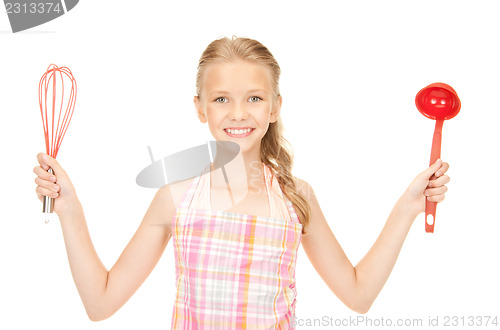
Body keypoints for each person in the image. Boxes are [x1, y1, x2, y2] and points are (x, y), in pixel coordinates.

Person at [33, 36, 450, 329]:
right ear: (200, 109)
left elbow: (358, 296)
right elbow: (100, 302)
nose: (238, 113)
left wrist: (407, 208)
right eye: (221, 99)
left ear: (274, 107)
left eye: (254, 97)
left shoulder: (296, 197)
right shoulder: (175, 197)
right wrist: (70, 207)